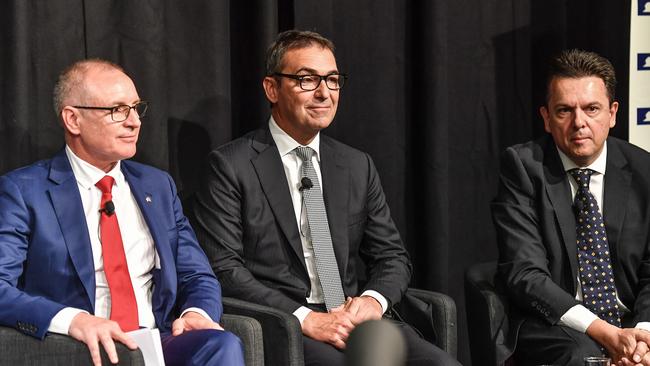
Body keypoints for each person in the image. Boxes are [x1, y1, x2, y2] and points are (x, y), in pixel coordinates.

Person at [193, 29, 460, 366]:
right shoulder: (231, 165)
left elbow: (392, 257)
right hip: (286, 324)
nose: (324, 93)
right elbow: (224, 269)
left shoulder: (355, 164)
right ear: (271, 89)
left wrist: (372, 302)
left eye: (332, 80)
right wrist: (307, 319)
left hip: (353, 320)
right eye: (307, 80)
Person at [0, 59, 244, 366]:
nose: (134, 122)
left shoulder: (157, 186)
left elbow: (197, 274)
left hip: (157, 343)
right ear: (73, 119)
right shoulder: (24, 191)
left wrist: (196, 312)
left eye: (136, 108)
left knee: (220, 345)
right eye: (117, 110)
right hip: (79, 349)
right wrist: (73, 320)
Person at [492, 49, 650, 366]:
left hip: (634, 320)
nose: (579, 123)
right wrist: (605, 332)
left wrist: (642, 336)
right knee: (582, 355)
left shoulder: (644, 169)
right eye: (565, 111)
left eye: (592, 109)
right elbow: (525, 274)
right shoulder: (523, 167)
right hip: (556, 323)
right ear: (547, 118)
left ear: (613, 113)